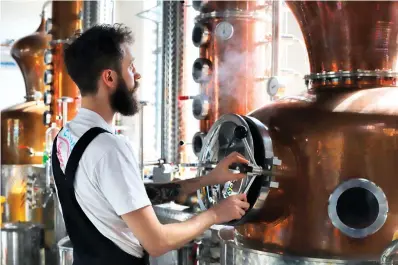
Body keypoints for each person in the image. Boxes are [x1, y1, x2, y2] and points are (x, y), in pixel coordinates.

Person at [51, 23, 250, 265]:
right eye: (130, 66)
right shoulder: (109, 148)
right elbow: (157, 242)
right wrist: (217, 213)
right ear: (109, 77)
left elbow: (132, 196)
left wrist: (208, 179)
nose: (137, 75)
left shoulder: (66, 136)